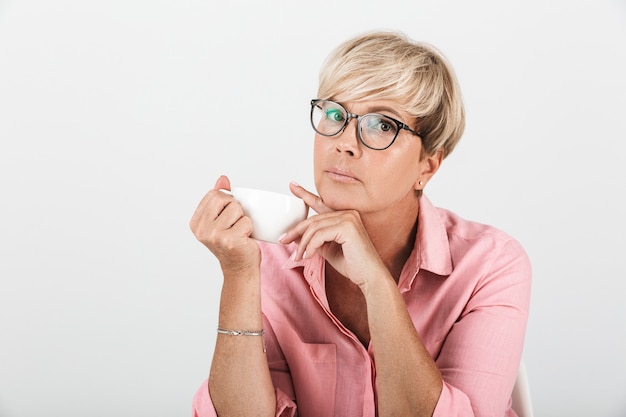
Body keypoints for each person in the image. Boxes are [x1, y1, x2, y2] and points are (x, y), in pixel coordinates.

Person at [189, 30, 531, 417]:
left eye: (382, 125)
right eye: (335, 114)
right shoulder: (272, 255)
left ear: (427, 165)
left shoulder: (490, 265)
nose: (345, 143)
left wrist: (376, 284)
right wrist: (239, 275)